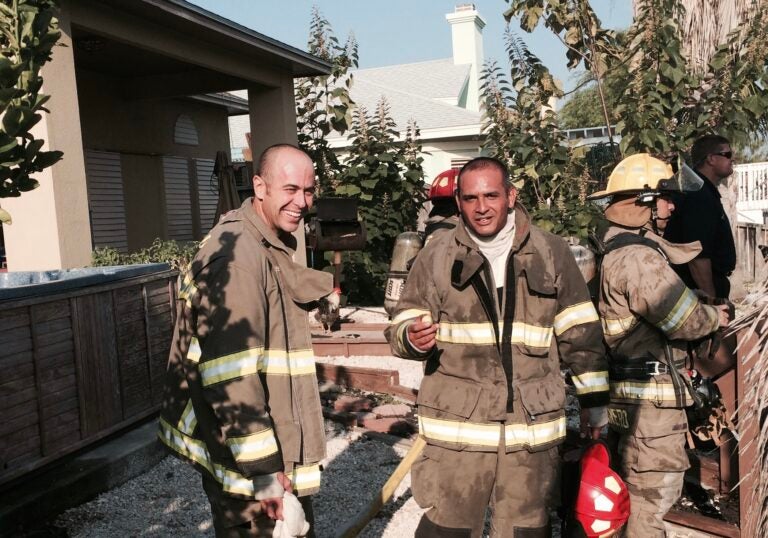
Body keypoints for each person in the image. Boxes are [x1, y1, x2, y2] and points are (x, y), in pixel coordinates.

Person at [386, 156, 610, 537]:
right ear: (458, 202)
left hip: (530, 433)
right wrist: (410, 336)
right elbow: (402, 319)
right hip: (457, 434)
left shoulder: (551, 253)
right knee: (446, 531)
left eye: (491, 195)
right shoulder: (436, 255)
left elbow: (580, 332)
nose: (481, 207)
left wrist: (595, 402)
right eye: (470, 198)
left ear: (511, 195)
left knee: (526, 531)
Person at [158, 144, 333, 536]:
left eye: (308, 190)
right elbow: (232, 376)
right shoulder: (238, 260)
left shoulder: (259, 239)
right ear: (259, 186)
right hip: (250, 466)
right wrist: (266, 472)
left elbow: (276, 284)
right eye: (290, 189)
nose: (302, 202)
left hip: (260, 451)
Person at [588, 153, 730, 537]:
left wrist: (694, 297)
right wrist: (716, 316)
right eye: (665, 197)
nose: (671, 205)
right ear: (644, 203)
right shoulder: (638, 258)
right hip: (652, 413)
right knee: (651, 508)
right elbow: (684, 321)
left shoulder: (615, 249)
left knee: (628, 503)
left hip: (630, 405)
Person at [664, 135, 737, 299]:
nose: (732, 160)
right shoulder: (699, 196)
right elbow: (697, 256)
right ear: (711, 159)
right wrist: (711, 301)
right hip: (699, 289)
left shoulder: (702, 190)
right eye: (727, 155)